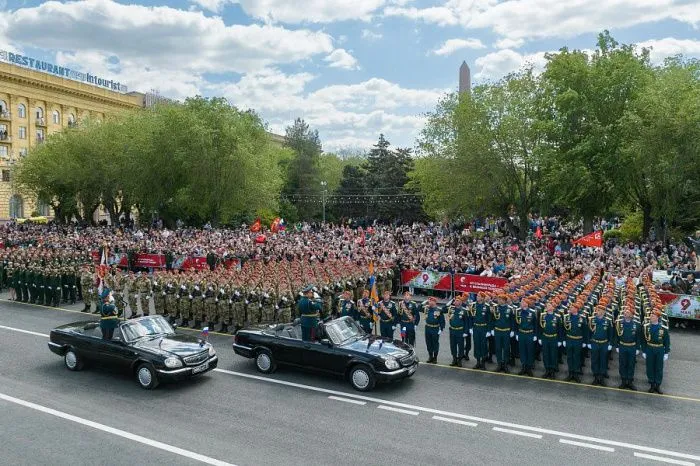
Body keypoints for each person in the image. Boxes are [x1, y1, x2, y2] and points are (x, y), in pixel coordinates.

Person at [643, 311, 671, 394]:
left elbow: (667, 341)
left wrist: (666, 353)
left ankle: (658, 385)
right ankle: (652, 384)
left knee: (659, 368)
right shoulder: (646, 327)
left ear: (657, 317)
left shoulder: (663, 328)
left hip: (659, 349)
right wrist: (644, 351)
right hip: (650, 348)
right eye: (651, 316)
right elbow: (643, 340)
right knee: (650, 367)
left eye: (653, 316)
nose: (651, 317)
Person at [615, 308, 641, 390]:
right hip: (622, 346)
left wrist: (637, 348)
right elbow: (616, 336)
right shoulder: (619, 323)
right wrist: (616, 346)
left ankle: (629, 381)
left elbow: (638, 338)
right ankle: (623, 380)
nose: (625, 313)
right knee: (622, 364)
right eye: (625, 312)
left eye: (628, 312)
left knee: (631, 364)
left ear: (632, 315)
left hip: (632, 347)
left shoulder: (636, 325)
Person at [588, 306, 614, 386]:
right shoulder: (592, 320)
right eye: (596, 310)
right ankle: (596, 376)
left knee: (603, 360)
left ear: (603, 312)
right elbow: (588, 332)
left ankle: (601, 377)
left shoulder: (608, 321)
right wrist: (589, 342)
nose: (597, 311)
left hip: (604, 344)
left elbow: (611, 333)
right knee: (594, 360)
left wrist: (610, 343)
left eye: (599, 310)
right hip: (595, 343)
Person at [563, 305, 588, 383]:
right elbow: (564, 329)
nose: (570, 309)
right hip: (569, 339)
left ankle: (576, 373)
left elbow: (585, 331)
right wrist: (564, 340)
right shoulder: (566, 317)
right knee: (570, 357)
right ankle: (570, 373)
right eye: (570, 308)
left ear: (576, 309)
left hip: (578, 340)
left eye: (571, 308)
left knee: (577, 357)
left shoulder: (582, 318)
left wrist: (585, 341)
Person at [491, 294, 514, 373]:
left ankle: (505, 364)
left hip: (506, 331)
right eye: (498, 299)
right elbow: (492, 319)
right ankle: (499, 364)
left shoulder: (510, 309)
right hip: (497, 331)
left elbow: (512, 321)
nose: (499, 301)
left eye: (501, 299)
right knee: (498, 348)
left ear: (504, 300)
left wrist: (512, 331)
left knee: (506, 348)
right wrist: (492, 329)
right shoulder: (495, 308)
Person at [539, 302, 562, 379]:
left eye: (549, 305)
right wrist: (540, 338)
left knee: (553, 354)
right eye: (547, 305)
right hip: (545, 337)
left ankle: (552, 370)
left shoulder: (557, 317)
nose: (547, 307)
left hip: (554, 338)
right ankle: (547, 369)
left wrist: (559, 340)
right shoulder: (542, 316)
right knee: (545, 354)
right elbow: (540, 328)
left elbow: (560, 329)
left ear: (553, 307)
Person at [516, 298, 538, 376]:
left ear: (526, 303)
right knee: (522, 351)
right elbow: (516, 324)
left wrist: (535, 335)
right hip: (521, 333)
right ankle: (523, 367)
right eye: (521, 302)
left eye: (522, 302)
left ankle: (529, 367)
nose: (521, 303)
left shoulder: (532, 312)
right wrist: (517, 334)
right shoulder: (518, 311)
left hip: (529, 334)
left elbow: (536, 325)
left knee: (530, 351)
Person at [469, 292, 491, 370]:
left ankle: (483, 363)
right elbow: (470, 318)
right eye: (477, 296)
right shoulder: (473, 305)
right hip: (475, 328)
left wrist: (489, 330)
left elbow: (489, 320)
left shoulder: (487, 306)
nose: (477, 297)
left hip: (483, 328)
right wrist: (470, 327)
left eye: (479, 296)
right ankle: (478, 362)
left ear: (482, 298)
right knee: (477, 344)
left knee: (483, 345)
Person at [424, 296, 445, 364]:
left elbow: (442, 320)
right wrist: (424, 302)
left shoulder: (439, 310)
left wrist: (441, 329)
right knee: (428, 343)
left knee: (435, 343)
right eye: (429, 301)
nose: (430, 302)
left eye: (432, 301)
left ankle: (435, 358)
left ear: (435, 302)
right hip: (428, 328)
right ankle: (430, 356)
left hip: (435, 328)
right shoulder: (427, 308)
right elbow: (418, 308)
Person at [448, 295, 468, 367]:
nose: (456, 302)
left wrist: (465, 332)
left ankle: (459, 360)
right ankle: (454, 359)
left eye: (458, 300)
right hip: (452, 330)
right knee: (453, 345)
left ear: (461, 302)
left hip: (460, 331)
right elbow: (443, 309)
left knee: (461, 346)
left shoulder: (464, 311)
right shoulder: (451, 309)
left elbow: (466, 322)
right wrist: (450, 302)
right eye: (455, 300)